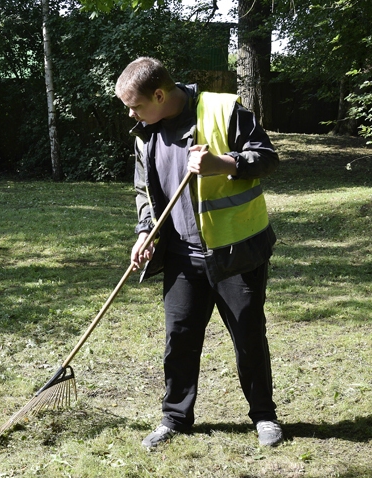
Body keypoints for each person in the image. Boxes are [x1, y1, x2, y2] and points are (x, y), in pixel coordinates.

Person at [114, 57, 281, 449]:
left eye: (135, 105)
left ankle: (264, 416)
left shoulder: (223, 110)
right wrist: (145, 233)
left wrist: (221, 163)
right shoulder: (145, 132)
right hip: (181, 257)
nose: (131, 113)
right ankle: (175, 418)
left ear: (159, 94)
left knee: (248, 336)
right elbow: (145, 193)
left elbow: (268, 158)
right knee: (180, 338)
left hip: (235, 252)